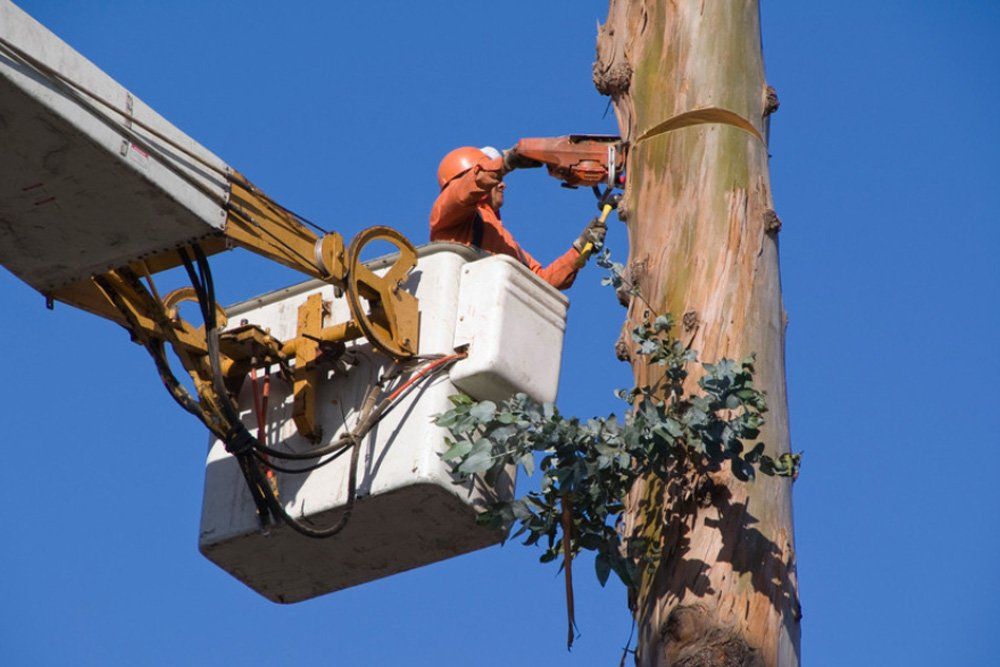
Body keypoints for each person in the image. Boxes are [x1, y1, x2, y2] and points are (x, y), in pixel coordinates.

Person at [429, 146, 606, 291]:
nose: (502, 185)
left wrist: (580, 249)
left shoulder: (504, 240)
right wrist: (504, 164)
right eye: (496, 179)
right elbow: (464, 190)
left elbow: (542, 283)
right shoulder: (447, 215)